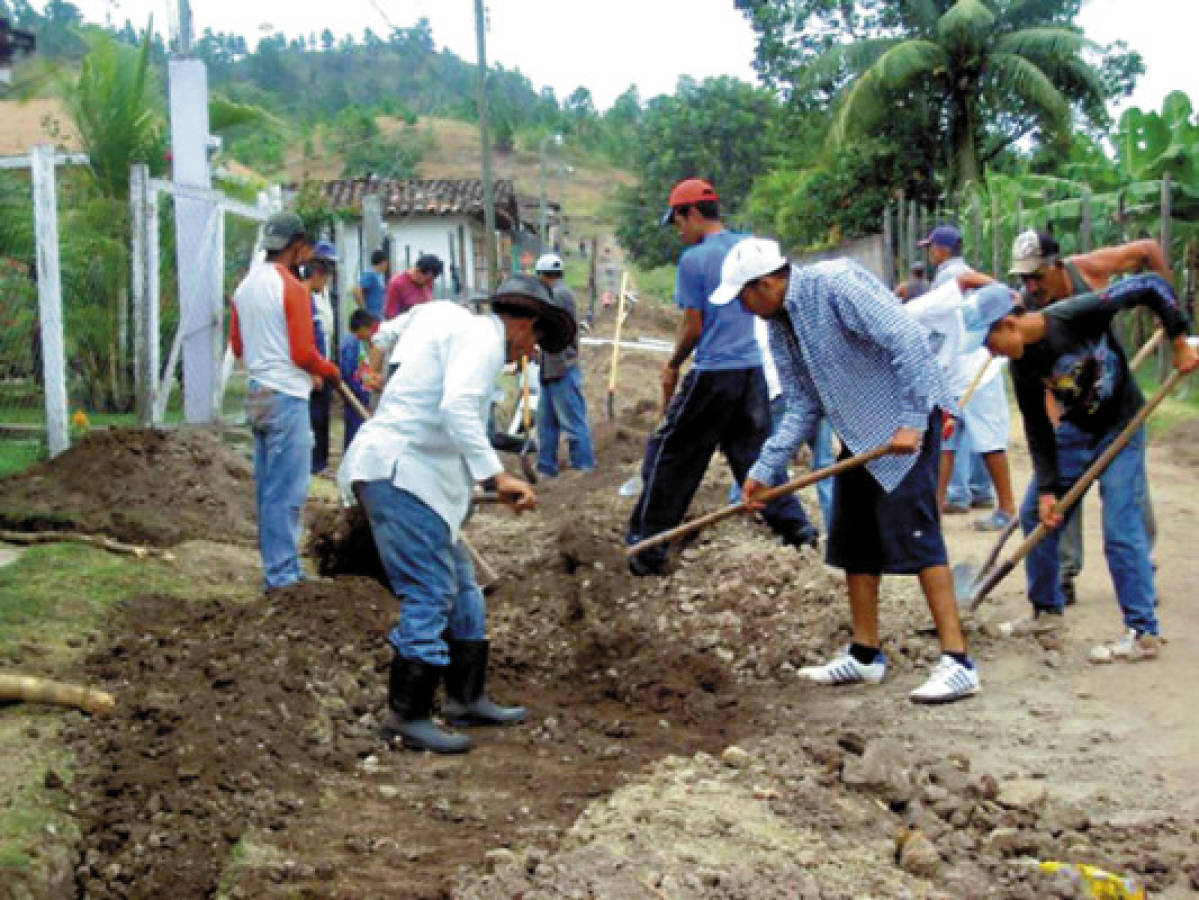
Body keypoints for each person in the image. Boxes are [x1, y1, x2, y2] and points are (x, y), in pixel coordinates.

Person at [713, 237, 980, 704]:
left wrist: (913, 419)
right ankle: (864, 653)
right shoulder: (780, 325)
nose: (742, 305)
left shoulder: (836, 286)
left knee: (917, 535)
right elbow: (801, 404)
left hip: (903, 422)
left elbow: (907, 339)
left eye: (744, 295)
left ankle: (958, 662)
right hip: (860, 434)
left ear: (768, 282)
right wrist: (763, 470)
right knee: (853, 539)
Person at [338, 273, 575, 754]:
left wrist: (379, 367)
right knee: (428, 588)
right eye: (534, 341)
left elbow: (382, 334)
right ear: (523, 323)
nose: (527, 353)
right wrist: (497, 476)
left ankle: (466, 697)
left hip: (414, 474)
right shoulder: (482, 341)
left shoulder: (442, 314)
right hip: (401, 473)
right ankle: (407, 714)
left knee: (462, 585)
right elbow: (458, 410)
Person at [968, 273, 1195, 660]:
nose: (993, 354)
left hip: (1121, 428)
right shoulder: (1022, 366)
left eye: (991, 344)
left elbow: (1150, 285)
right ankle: (1046, 613)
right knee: (1034, 517)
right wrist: (1047, 491)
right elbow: (1038, 430)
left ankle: (1142, 632)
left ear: (1009, 323)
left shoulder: (1075, 315)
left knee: (1121, 525)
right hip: (1075, 432)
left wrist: (1178, 339)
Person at [625, 179, 817, 576]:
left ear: (692, 213)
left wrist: (674, 363)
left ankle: (648, 547)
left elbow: (693, 326)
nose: (678, 231)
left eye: (678, 220)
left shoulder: (694, 260)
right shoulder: (750, 246)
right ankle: (797, 529)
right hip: (753, 371)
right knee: (753, 455)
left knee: (671, 455)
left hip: (715, 372)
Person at [1009, 229, 1165, 603]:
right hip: (1069, 404)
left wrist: (1166, 317)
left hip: (1113, 392)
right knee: (1058, 495)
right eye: (1023, 278)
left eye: (1037, 275)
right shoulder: (1028, 314)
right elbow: (1043, 387)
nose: (1031, 285)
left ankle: (1142, 570)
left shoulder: (1088, 273)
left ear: (1057, 265)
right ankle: (1063, 574)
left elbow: (1147, 250)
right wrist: (1060, 428)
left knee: (1127, 495)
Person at [230, 212, 340, 592]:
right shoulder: (292, 288)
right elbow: (302, 353)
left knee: (267, 488)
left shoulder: (245, 288)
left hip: (257, 391)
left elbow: (238, 346)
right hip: (286, 396)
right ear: (296, 247)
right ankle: (282, 577)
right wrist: (330, 370)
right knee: (288, 491)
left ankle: (275, 569)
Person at [917, 224, 1016, 530]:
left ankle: (1008, 509)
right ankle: (935, 507)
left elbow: (967, 283)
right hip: (955, 374)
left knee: (988, 442)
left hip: (975, 371)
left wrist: (1005, 293)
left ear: (942, 250)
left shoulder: (951, 274)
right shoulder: (943, 276)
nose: (930, 252)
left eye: (931, 247)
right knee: (946, 441)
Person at [533, 252, 595, 477]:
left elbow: (540, 319)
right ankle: (545, 467)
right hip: (551, 368)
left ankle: (584, 467)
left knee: (572, 422)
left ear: (542, 275)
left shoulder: (558, 295)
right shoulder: (556, 293)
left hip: (562, 367)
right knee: (546, 424)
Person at [303, 240, 337, 477]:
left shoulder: (324, 295)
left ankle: (321, 462)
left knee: (323, 415)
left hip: (323, 362)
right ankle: (314, 463)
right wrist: (314, 370)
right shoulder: (305, 296)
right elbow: (310, 335)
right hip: (312, 366)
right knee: (314, 416)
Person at [338, 308, 378, 450]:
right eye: (369, 329)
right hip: (355, 395)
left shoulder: (358, 343)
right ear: (361, 327)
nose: (370, 333)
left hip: (360, 394)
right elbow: (348, 373)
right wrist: (359, 391)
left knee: (358, 429)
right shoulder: (351, 344)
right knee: (354, 431)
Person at [383, 253, 443, 320]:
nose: (429, 283)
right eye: (427, 280)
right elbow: (390, 316)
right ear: (418, 271)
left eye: (432, 280)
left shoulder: (427, 284)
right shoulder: (397, 283)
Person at [353, 249, 389, 319]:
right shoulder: (370, 274)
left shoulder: (378, 276)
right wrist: (363, 309)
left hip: (379, 315)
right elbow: (357, 290)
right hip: (372, 316)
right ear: (383, 262)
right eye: (386, 263)